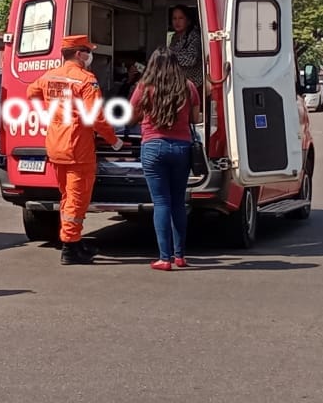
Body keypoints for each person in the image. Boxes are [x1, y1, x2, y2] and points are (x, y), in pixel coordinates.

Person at [26, 34, 123, 265]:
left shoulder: (50, 76)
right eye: (88, 51)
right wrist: (113, 140)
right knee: (76, 200)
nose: (90, 56)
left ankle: (73, 241)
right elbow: (97, 117)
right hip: (77, 148)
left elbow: (31, 92)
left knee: (67, 197)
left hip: (56, 145)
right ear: (79, 54)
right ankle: (70, 248)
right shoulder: (85, 80)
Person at [127, 48, 201, 271]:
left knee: (161, 203)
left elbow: (131, 118)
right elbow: (195, 118)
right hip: (181, 148)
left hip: (153, 147)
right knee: (178, 202)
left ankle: (164, 258)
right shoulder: (188, 87)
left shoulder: (143, 88)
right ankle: (180, 256)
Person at [168, 5, 204, 91]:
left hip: (193, 85)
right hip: (179, 84)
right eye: (174, 18)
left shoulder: (194, 36)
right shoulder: (175, 37)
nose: (177, 22)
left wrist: (170, 56)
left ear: (188, 21)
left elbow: (191, 59)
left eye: (181, 18)